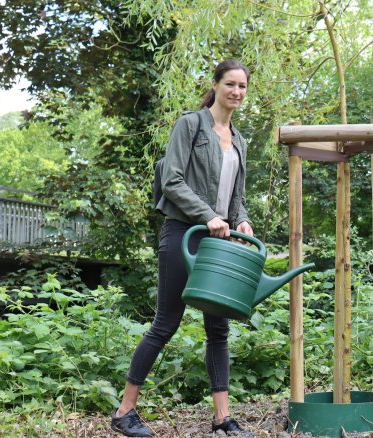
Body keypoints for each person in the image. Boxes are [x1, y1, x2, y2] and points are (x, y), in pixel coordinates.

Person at [110, 59, 255, 437]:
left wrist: (241, 219)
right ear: (216, 84)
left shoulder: (239, 140)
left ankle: (222, 420)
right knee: (165, 323)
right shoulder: (190, 125)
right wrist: (208, 214)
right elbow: (171, 180)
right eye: (230, 84)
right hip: (182, 234)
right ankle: (125, 411)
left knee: (218, 328)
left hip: (218, 241)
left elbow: (236, 197)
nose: (237, 92)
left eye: (242, 86)